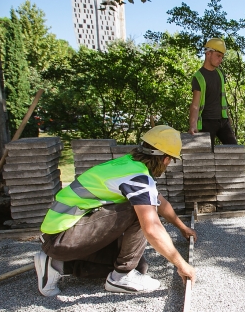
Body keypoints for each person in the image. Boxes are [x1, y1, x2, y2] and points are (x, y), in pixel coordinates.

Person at [34, 125, 197, 297]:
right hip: (61, 237)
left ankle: (56, 265)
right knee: (140, 212)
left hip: (62, 236)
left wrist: (182, 228)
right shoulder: (138, 178)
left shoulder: (130, 165)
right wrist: (182, 264)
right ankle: (121, 277)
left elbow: (160, 201)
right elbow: (152, 228)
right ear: (165, 159)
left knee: (139, 267)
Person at [188, 38, 238, 145]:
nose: (221, 59)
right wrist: (193, 126)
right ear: (208, 53)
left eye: (222, 57)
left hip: (223, 121)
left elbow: (222, 100)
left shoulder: (220, 74)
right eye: (218, 56)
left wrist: (228, 120)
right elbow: (195, 105)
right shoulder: (199, 77)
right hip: (207, 123)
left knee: (235, 149)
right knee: (206, 155)